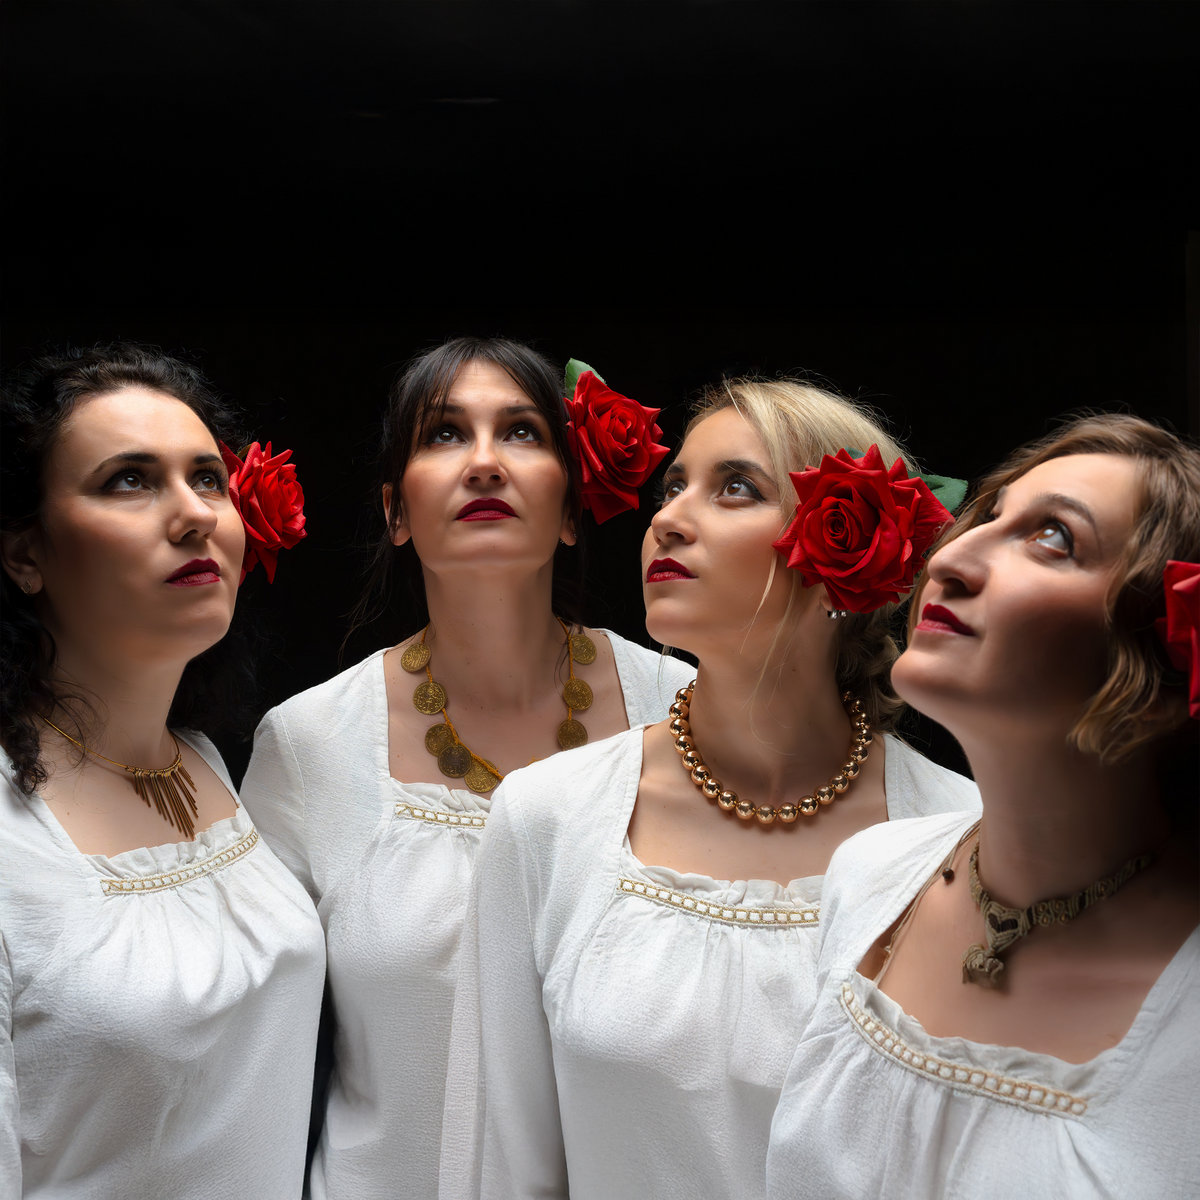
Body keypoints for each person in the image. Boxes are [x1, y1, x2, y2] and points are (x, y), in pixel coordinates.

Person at [441, 378, 982, 1200]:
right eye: (673, 486)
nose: (667, 519)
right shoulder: (547, 814)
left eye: (735, 487)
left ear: (843, 545)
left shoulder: (961, 832)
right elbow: (501, 1164)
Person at [238, 336, 690, 1200]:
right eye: (444, 434)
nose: (484, 462)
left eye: (521, 431)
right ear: (396, 513)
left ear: (571, 508)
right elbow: (249, 1050)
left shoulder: (682, 709)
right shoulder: (308, 744)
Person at [765, 413, 1200, 1200]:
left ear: (1165, 662)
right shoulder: (869, 878)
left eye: (1052, 538)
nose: (950, 559)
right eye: (988, 518)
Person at [0, 343, 324, 1198]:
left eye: (208, 479)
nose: (193, 515)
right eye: (129, 481)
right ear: (25, 554)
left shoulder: (210, 761)